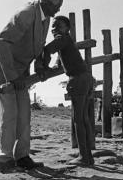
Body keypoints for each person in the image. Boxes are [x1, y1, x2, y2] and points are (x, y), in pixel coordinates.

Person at [0, 0, 63, 173]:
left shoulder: (45, 20)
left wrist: (40, 68)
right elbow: (2, 42)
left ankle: (22, 156)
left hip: (21, 72)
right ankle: (4, 157)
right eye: (57, 6)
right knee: (10, 112)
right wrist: (11, 77)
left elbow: (38, 48)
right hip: (3, 68)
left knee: (24, 114)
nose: (58, 11)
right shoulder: (27, 13)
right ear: (47, 3)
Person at [42, 16, 94, 166]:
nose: (54, 29)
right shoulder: (67, 43)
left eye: (58, 25)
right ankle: (88, 157)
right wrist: (50, 69)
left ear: (67, 29)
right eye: (53, 26)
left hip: (77, 79)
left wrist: (43, 67)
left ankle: (84, 157)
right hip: (86, 78)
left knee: (78, 120)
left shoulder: (62, 38)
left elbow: (47, 49)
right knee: (83, 119)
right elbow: (59, 65)